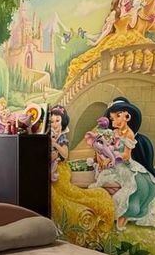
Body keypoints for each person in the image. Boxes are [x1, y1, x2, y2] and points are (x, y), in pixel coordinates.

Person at [63, 0, 155, 89]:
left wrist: (135, 11)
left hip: (130, 37)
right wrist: (96, 42)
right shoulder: (115, 12)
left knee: (142, 56)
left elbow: (132, 25)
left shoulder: (130, 9)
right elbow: (107, 30)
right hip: (116, 39)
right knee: (104, 63)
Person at [91, 97, 155, 229]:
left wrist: (112, 157)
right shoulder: (113, 133)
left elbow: (126, 156)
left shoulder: (129, 134)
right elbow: (105, 149)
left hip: (123, 162)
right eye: (112, 118)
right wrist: (106, 157)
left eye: (117, 117)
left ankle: (128, 214)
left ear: (127, 117)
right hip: (114, 166)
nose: (113, 121)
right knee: (131, 183)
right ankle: (119, 215)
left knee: (144, 183)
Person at [48, 105, 116, 245]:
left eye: (57, 121)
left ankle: (87, 210)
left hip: (61, 170)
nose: (54, 124)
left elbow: (65, 154)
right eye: (52, 121)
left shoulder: (62, 138)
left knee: (66, 194)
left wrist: (55, 145)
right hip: (52, 170)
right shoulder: (50, 136)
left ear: (62, 122)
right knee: (53, 195)